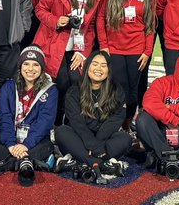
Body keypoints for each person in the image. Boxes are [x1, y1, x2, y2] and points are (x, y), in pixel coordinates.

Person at [33, 0, 105, 116]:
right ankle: (55, 120)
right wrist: (56, 20)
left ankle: (70, 120)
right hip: (55, 43)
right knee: (61, 81)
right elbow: (40, 9)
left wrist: (83, 53)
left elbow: (91, 27)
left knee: (77, 81)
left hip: (77, 46)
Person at [96, 0, 157, 131]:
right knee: (118, 88)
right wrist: (104, 46)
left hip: (137, 49)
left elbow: (150, 25)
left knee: (133, 90)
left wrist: (147, 51)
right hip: (114, 48)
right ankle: (116, 123)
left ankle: (129, 122)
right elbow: (100, 19)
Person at [0, 45, 57, 185]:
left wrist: (26, 145)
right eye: (26, 64)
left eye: (35, 65)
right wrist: (10, 144)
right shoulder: (9, 86)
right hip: (11, 139)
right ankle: (27, 161)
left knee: (47, 147)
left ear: (41, 68)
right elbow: (4, 118)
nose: (30, 69)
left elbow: (45, 122)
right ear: (20, 66)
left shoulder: (50, 90)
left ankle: (11, 163)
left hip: (34, 141)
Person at [54, 49, 131, 180]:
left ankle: (80, 161)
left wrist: (97, 145)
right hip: (81, 138)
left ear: (109, 70)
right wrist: (94, 147)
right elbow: (77, 123)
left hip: (104, 139)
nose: (98, 69)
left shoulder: (117, 90)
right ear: (87, 66)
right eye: (94, 64)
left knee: (125, 139)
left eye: (103, 65)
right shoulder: (74, 91)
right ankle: (103, 164)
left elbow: (116, 120)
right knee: (61, 132)